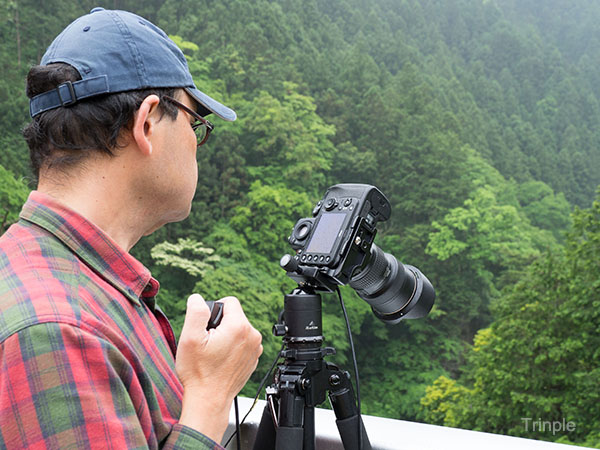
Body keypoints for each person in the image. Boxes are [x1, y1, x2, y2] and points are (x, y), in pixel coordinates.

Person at [0, 7, 263, 449]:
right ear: (147, 123)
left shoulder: (63, 279)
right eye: (196, 123)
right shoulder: (61, 331)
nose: (198, 145)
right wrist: (209, 398)